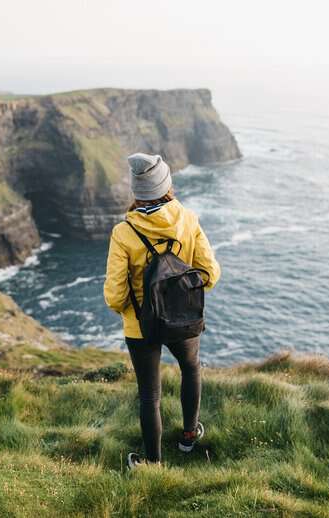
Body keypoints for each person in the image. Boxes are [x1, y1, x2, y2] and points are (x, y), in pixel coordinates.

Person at [103, 152, 221, 469]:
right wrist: (181, 295)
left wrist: (133, 312)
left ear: (136, 191)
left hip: (141, 325)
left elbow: (115, 294)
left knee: (149, 396)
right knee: (191, 367)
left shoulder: (124, 233)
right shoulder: (188, 219)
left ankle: (153, 464)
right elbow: (210, 274)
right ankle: (188, 436)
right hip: (183, 317)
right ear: (166, 184)